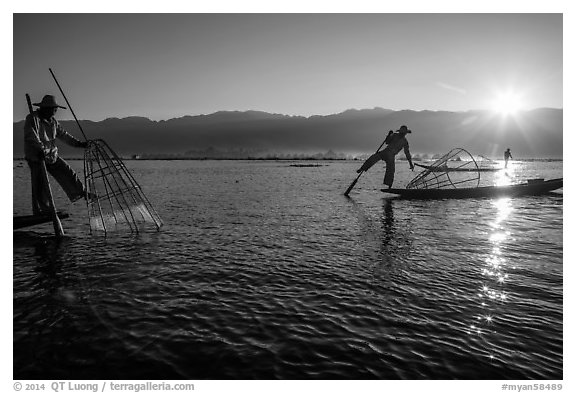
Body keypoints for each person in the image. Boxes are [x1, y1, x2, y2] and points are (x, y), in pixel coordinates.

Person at [24, 94, 90, 215]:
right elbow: (31, 136)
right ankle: (44, 210)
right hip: (36, 156)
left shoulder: (53, 122)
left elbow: (64, 135)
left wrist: (79, 144)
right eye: (52, 109)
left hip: (51, 155)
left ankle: (82, 192)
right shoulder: (33, 118)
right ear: (45, 108)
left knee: (68, 171)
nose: (54, 111)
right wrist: (40, 149)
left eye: (55, 109)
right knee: (41, 184)